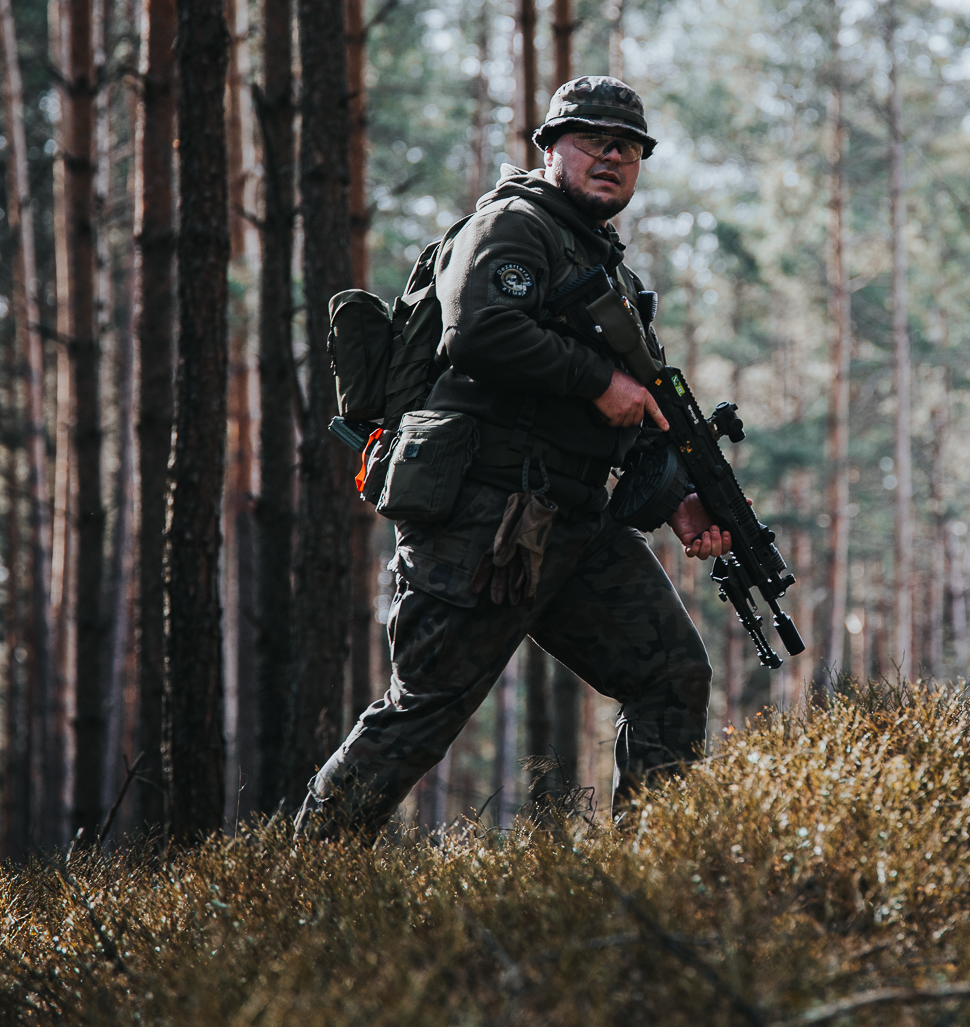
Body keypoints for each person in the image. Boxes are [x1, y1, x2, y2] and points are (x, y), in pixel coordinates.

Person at [298, 76, 725, 839]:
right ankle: (290, 881)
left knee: (671, 675)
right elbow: (481, 330)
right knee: (423, 709)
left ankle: (655, 874)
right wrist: (599, 381)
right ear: (552, 146)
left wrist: (680, 499)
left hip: (573, 520)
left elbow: (639, 413)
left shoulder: (612, 272)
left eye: (628, 148)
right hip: (483, 515)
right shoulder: (515, 224)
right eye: (595, 139)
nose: (613, 156)